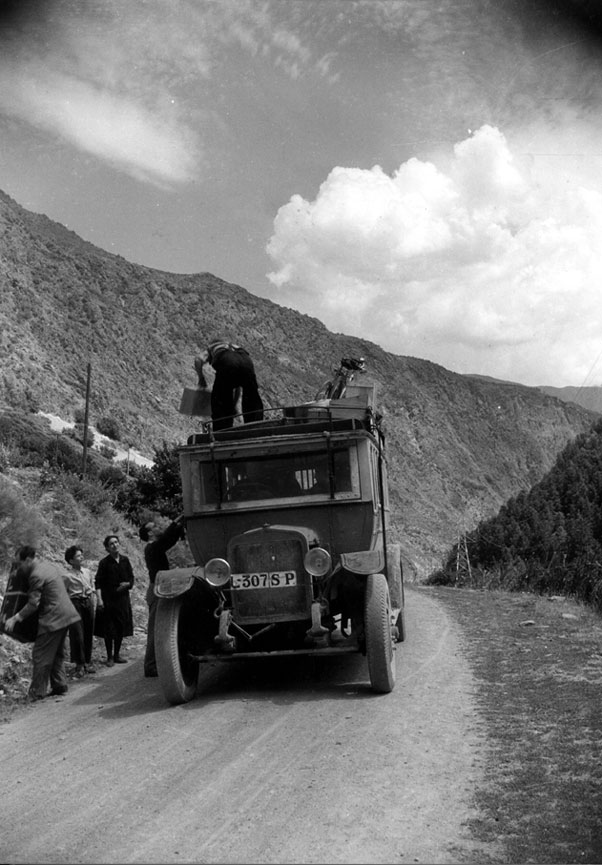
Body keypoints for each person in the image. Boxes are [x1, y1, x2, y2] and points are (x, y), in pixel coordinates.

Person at [3, 546, 81, 701]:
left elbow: (33, 604)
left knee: (40, 655)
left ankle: (36, 693)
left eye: (20, 564)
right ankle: (59, 685)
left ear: (28, 560)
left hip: (54, 618)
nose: (19, 568)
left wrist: (15, 618)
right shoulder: (48, 566)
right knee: (57, 652)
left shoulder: (36, 575)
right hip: (67, 615)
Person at [138, 514, 185, 678]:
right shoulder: (152, 547)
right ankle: (150, 666)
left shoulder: (153, 547)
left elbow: (168, 540)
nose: (158, 528)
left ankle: (152, 665)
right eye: (154, 527)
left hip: (156, 589)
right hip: (156, 590)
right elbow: (167, 540)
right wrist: (176, 523)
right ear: (150, 533)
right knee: (154, 629)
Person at [194, 339, 264, 431]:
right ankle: (256, 427)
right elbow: (236, 386)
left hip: (227, 361)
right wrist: (234, 406)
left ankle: (222, 431)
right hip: (247, 361)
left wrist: (201, 379)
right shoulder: (234, 348)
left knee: (220, 400)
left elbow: (198, 359)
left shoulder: (211, 348)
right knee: (252, 397)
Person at [94, 534, 134, 667]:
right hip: (109, 600)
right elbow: (98, 582)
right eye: (111, 544)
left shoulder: (125, 560)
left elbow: (131, 578)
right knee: (109, 629)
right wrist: (99, 600)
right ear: (107, 548)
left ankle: (117, 655)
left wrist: (127, 584)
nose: (115, 545)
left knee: (120, 627)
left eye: (116, 542)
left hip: (123, 599)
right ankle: (109, 656)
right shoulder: (104, 563)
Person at [63, 545, 97, 677]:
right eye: (78, 556)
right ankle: (79, 664)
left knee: (89, 631)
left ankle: (87, 662)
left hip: (88, 601)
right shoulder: (66, 576)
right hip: (75, 603)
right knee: (77, 634)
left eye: (81, 555)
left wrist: (92, 594)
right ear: (71, 561)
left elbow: (92, 585)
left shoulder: (87, 572)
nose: (81, 557)